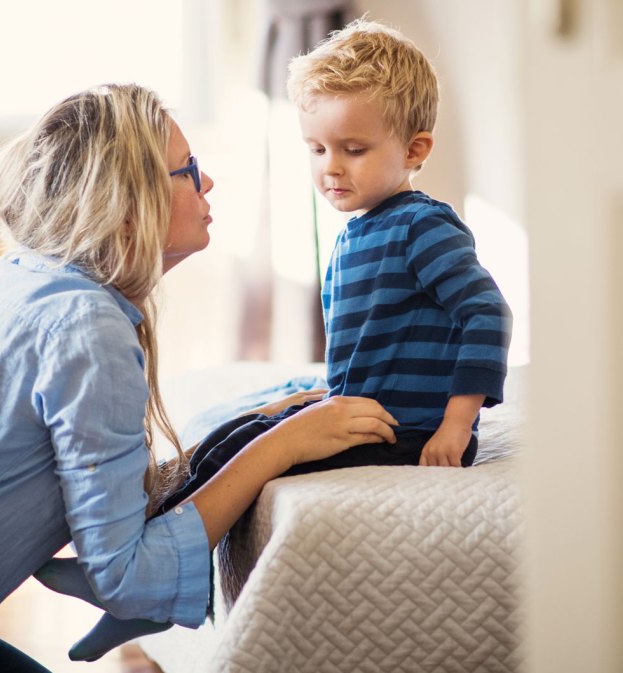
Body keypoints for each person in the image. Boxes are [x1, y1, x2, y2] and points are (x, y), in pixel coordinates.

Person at [37, 18, 515, 661]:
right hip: (368, 410)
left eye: (353, 149)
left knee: (249, 457)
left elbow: (487, 313)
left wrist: (456, 425)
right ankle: (135, 575)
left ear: (415, 149)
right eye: (317, 149)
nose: (331, 169)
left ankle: (143, 597)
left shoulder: (422, 228)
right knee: (232, 434)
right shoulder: (361, 231)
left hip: (406, 432)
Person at [0, 83, 400, 673]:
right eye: (190, 170)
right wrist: (287, 444)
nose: (207, 184)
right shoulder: (87, 326)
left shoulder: (23, 277)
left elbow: (102, 489)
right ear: (128, 204)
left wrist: (251, 429)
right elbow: (125, 574)